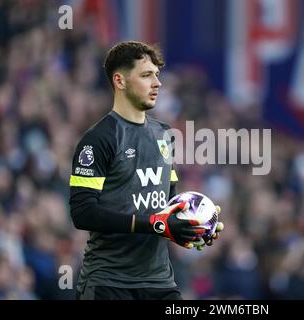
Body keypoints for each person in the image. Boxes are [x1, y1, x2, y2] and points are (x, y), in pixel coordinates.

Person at [69, 41, 224, 300]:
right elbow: (83, 213)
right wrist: (154, 224)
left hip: (159, 282)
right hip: (109, 283)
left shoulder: (164, 134)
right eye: (146, 75)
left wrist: (194, 226)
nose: (157, 83)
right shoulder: (99, 139)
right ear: (119, 81)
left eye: (157, 75)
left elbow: (168, 204)